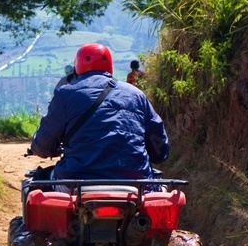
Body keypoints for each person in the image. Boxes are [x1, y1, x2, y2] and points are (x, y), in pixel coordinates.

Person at [29, 42, 168, 183]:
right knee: (160, 192)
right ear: (110, 66)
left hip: (75, 179)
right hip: (136, 182)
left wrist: (40, 147)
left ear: (77, 67)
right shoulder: (137, 95)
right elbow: (160, 149)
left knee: (35, 185)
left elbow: (42, 146)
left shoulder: (65, 93)